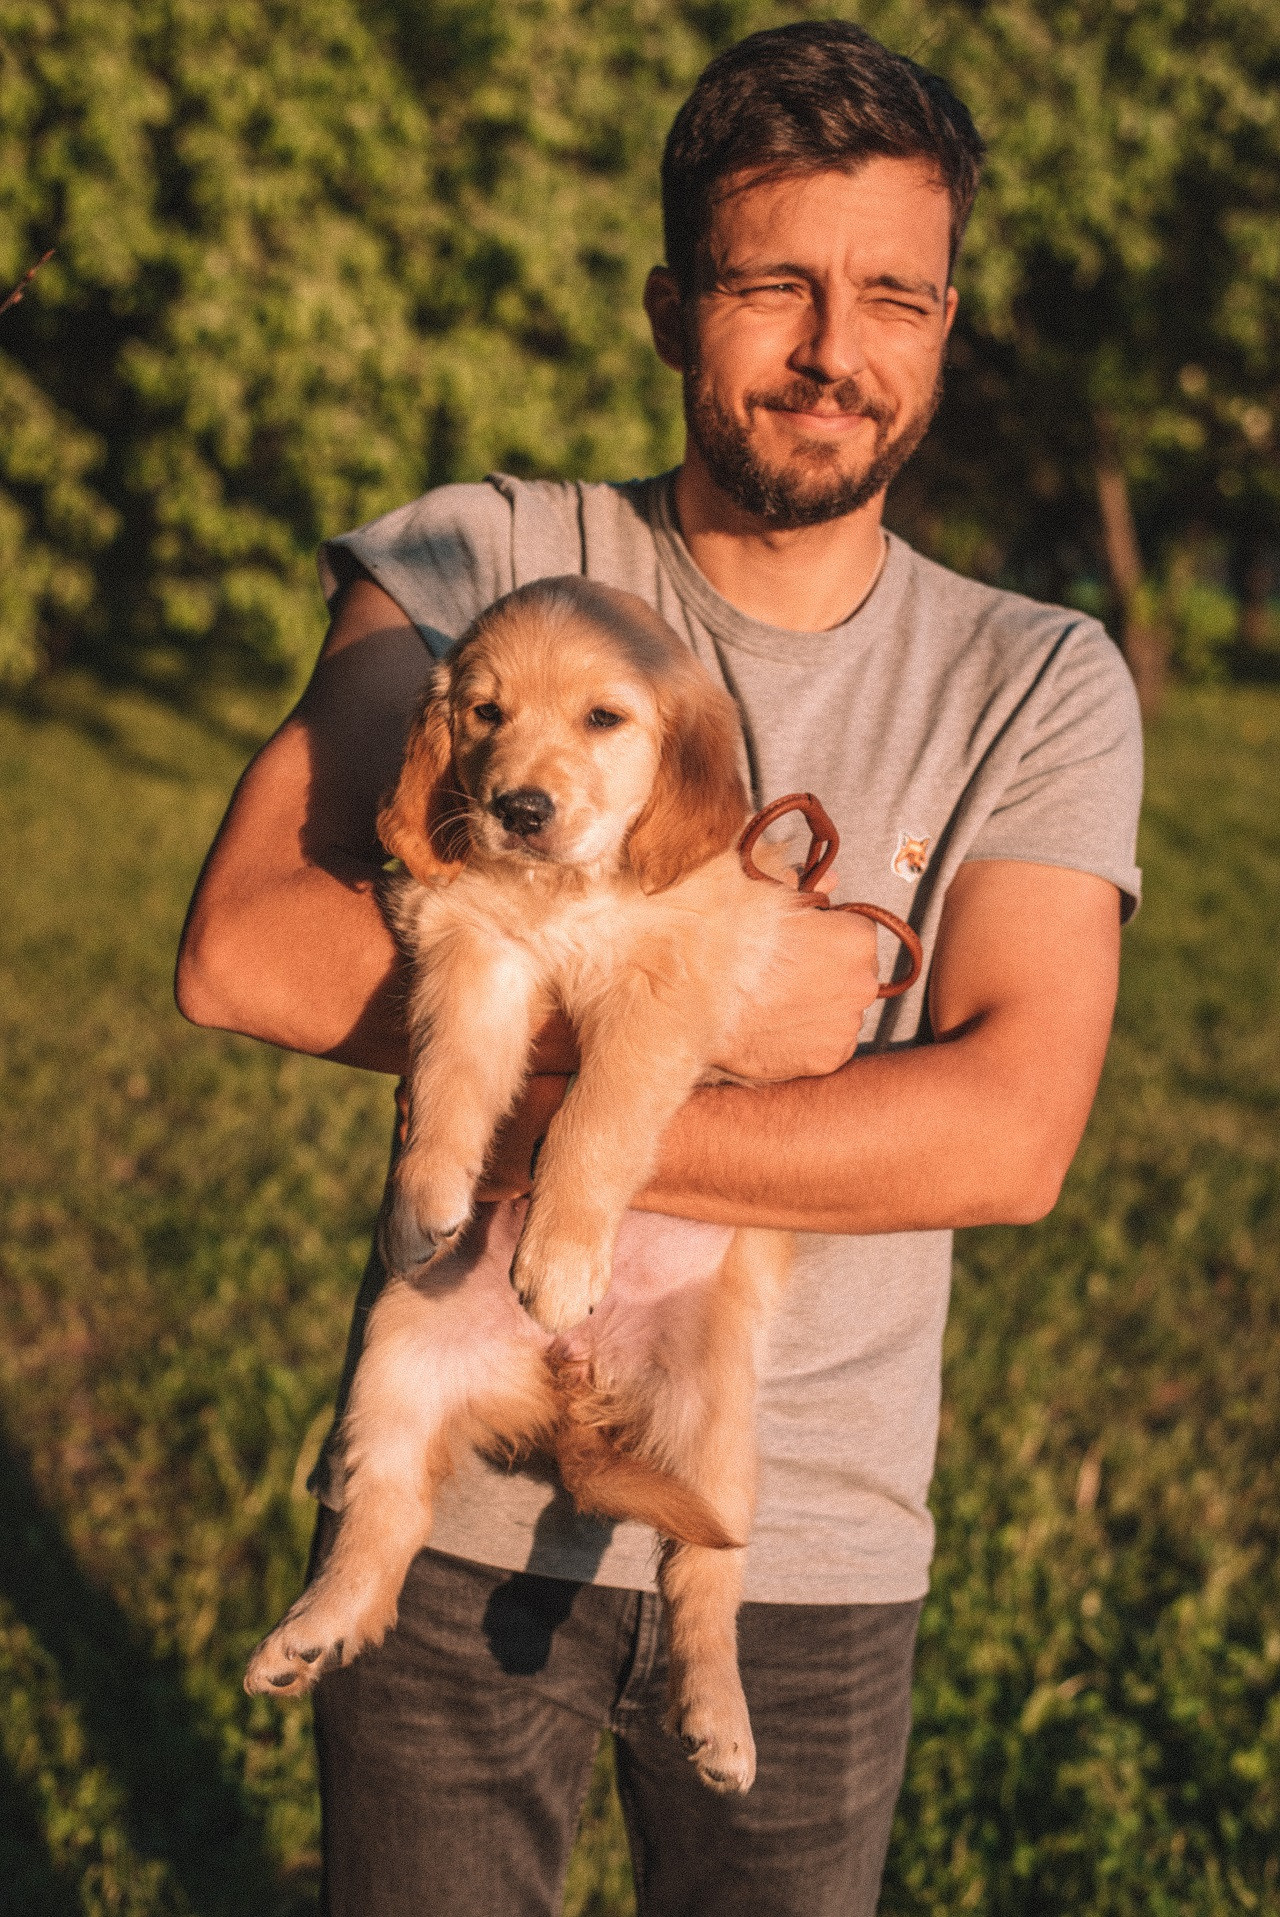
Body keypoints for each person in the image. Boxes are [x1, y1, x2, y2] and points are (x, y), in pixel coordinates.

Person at [176, 21, 1142, 1917]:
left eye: (894, 296)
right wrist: (728, 1048)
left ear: (948, 323)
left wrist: (606, 1090)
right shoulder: (485, 553)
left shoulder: (1038, 679)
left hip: (806, 1540)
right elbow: (247, 949)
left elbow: (1009, 1137)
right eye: (774, 282)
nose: (831, 352)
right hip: (448, 1512)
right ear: (669, 303)